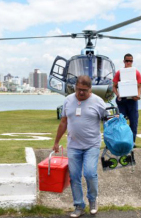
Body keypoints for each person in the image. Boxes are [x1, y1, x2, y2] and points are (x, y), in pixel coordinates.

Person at [53, 75, 106, 218]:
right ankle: (79, 206)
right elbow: (63, 122)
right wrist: (56, 142)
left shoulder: (98, 101)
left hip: (92, 145)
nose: (81, 92)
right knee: (74, 176)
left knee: (89, 173)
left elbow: (108, 121)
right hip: (73, 145)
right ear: (75, 86)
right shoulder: (68, 100)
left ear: (90, 89)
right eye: (78, 89)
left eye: (84, 90)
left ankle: (93, 201)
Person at [112, 53, 141, 143]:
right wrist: (117, 94)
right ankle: (121, 140)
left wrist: (138, 95)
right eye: (127, 61)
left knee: (134, 121)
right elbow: (114, 86)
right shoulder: (119, 72)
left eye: (130, 61)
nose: (129, 63)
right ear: (124, 61)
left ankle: (132, 142)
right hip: (122, 101)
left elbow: (140, 85)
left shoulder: (136, 72)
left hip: (132, 100)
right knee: (121, 121)